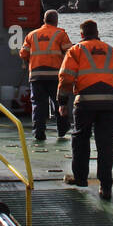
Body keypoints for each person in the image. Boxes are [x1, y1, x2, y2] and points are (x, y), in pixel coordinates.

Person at [57, 19, 113, 200]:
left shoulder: (76, 50)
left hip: (85, 101)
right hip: (108, 102)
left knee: (80, 139)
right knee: (106, 144)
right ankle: (106, 186)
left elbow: (66, 78)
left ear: (81, 35)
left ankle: (80, 179)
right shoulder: (112, 51)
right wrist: (111, 96)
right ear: (97, 32)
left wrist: (62, 102)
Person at [20, 10, 72, 143]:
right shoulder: (61, 34)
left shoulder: (31, 35)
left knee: (38, 105)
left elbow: (23, 54)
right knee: (59, 102)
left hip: (36, 76)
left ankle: (39, 133)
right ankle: (62, 130)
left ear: (44, 20)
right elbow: (70, 53)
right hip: (55, 75)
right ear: (56, 20)